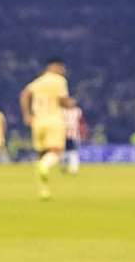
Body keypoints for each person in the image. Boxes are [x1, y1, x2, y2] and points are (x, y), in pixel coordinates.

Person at [20, 58, 73, 200]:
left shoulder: (38, 82)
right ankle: (45, 166)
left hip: (38, 120)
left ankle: (44, 190)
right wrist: (70, 104)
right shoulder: (59, 81)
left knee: (41, 154)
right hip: (54, 119)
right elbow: (63, 100)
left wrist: (27, 114)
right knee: (56, 152)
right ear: (56, 67)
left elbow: (25, 94)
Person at [62, 98, 87, 175]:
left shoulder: (78, 111)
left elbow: (81, 123)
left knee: (73, 152)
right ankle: (64, 167)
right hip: (63, 135)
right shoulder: (62, 111)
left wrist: (83, 133)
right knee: (63, 153)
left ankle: (74, 169)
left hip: (74, 135)